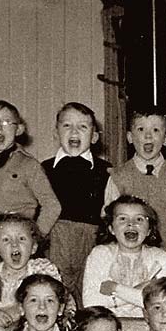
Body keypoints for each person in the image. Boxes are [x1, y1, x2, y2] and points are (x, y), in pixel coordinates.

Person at [0, 99, 61, 262]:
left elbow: (52, 205)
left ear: (19, 129)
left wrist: (34, 237)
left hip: (15, 241)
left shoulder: (29, 165)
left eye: (6, 122)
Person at [41, 102, 111, 306]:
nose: (74, 132)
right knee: (54, 294)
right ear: (56, 133)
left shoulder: (107, 171)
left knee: (88, 295)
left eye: (83, 127)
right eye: (67, 126)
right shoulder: (42, 169)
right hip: (55, 241)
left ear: (95, 136)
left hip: (91, 240)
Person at [103, 105, 166, 253]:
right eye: (141, 129)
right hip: (126, 254)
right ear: (130, 137)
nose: (148, 136)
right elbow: (110, 219)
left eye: (155, 130)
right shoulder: (119, 176)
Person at [81, 195, 166, 318]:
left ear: (149, 230)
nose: (131, 224)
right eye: (123, 218)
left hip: (147, 326)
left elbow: (160, 304)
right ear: (111, 228)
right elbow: (92, 303)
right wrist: (139, 290)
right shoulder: (100, 254)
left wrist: (115, 288)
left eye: (139, 219)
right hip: (107, 324)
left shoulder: (160, 258)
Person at [0, 213, 63, 329]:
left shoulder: (42, 269)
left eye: (22, 238)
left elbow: (58, 299)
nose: (14, 244)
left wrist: (18, 310)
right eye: (6, 239)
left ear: (33, 247)